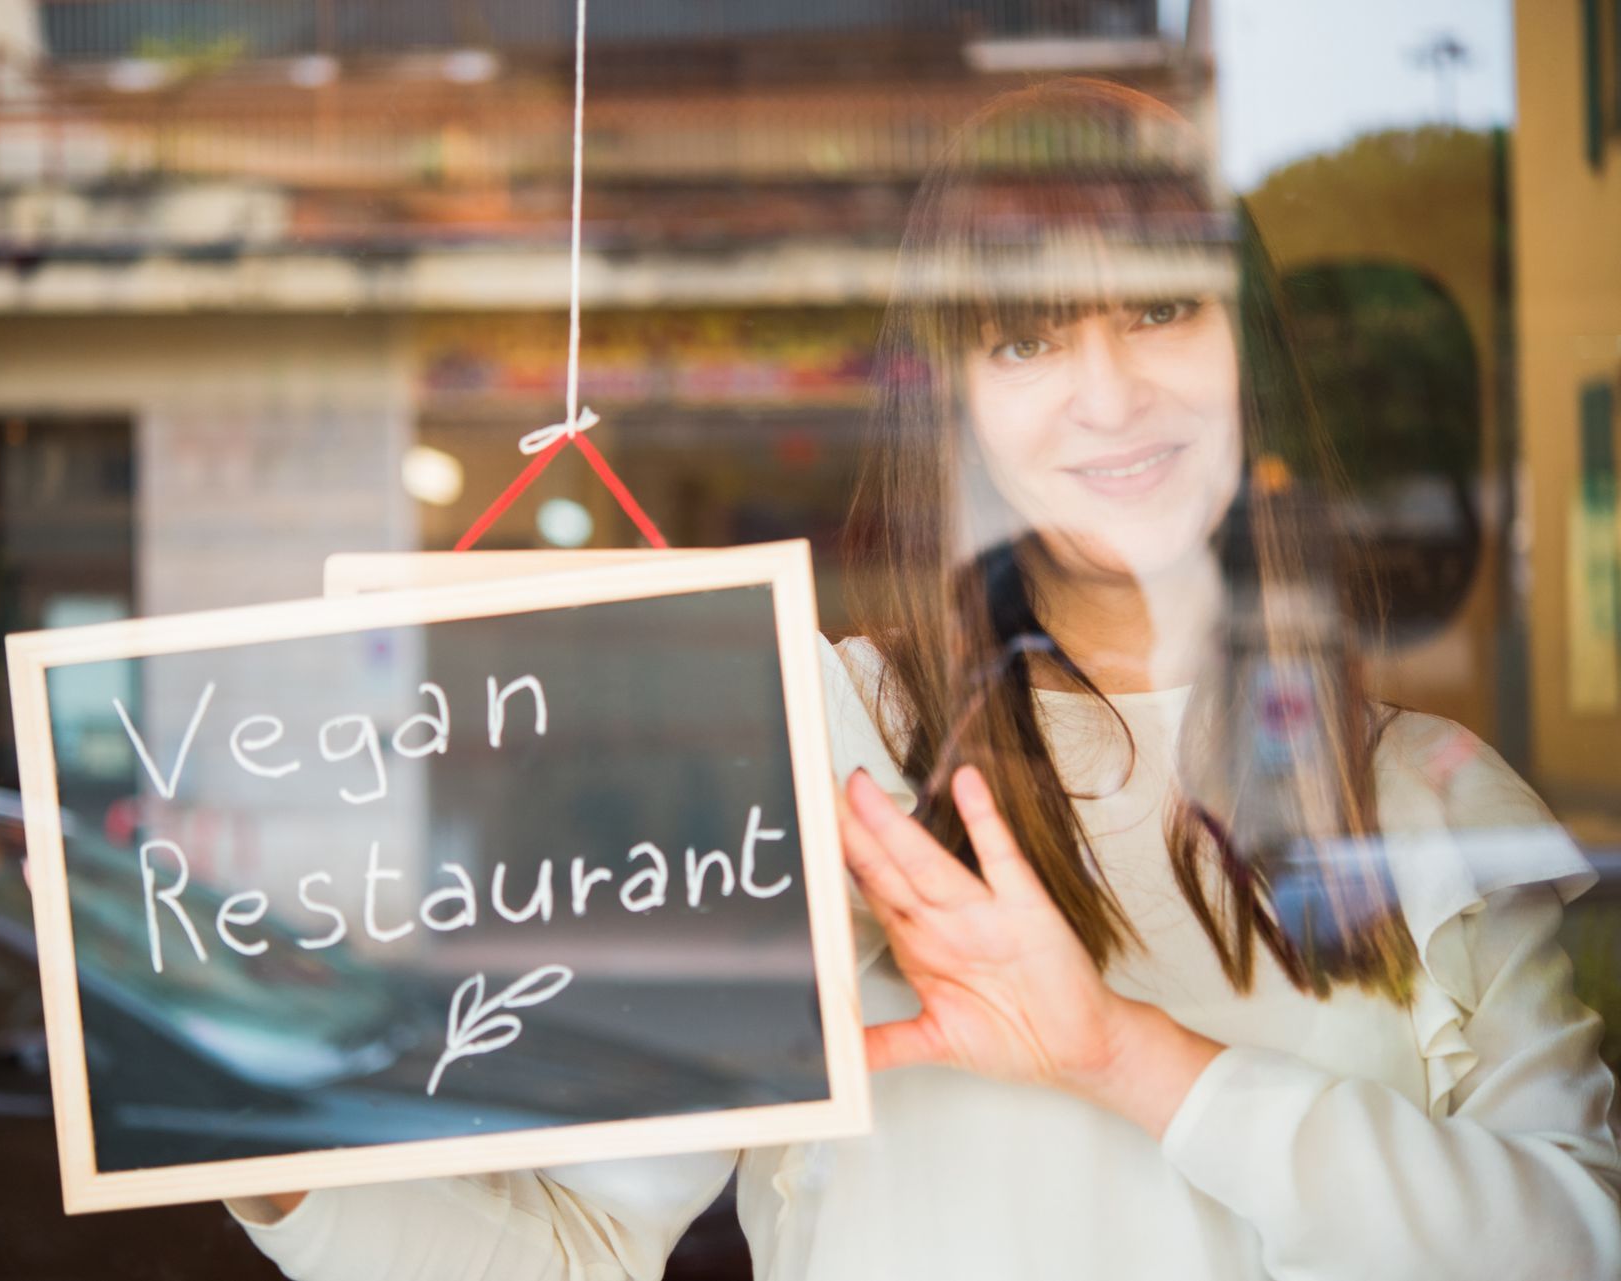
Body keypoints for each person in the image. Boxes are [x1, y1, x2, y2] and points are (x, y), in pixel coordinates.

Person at [227, 78, 1621, 1279]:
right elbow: (574, 1251)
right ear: (950, 401)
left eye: (1158, 310)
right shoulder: (832, 743)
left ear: (1245, 349)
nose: (1110, 392)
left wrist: (1123, 1052)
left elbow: (1578, 1244)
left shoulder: (1425, 794)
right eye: (1024, 337)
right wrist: (263, 1145)